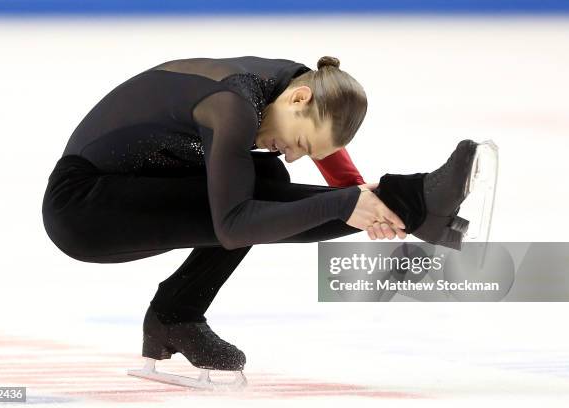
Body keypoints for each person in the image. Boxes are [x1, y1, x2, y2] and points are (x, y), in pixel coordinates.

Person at [41, 55, 481, 388]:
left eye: (308, 150)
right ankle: (420, 202)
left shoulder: (299, 84)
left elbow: (332, 162)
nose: (294, 152)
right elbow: (233, 225)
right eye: (301, 142)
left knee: (267, 174)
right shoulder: (230, 107)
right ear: (299, 99)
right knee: (253, 194)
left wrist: (371, 205)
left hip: (138, 183)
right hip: (83, 209)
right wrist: (346, 205)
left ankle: (174, 319)